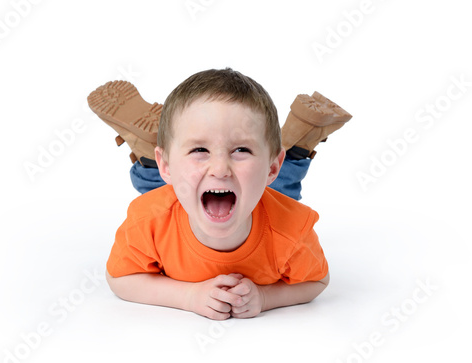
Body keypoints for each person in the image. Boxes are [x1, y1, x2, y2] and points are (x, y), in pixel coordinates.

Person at [87, 68, 352, 320]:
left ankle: (156, 154)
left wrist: (265, 297)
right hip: (182, 191)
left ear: (273, 167)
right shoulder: (148, 221)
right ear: (165, 165)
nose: (220, 169)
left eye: (240, 150)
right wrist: (188, 297)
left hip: (254, 193)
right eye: (200, 149)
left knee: (273, 191)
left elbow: (317, 281)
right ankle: (296, 141)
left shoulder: (291, 230)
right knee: (171, 192)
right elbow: (119, 278)